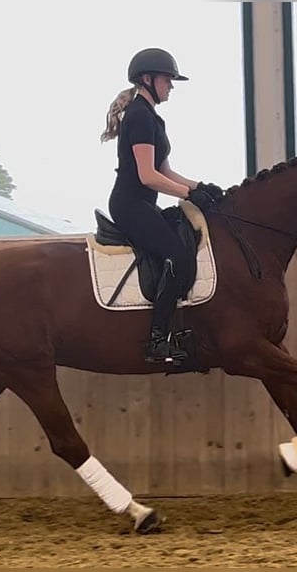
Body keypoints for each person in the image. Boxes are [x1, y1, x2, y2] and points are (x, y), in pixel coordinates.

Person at [100, 47, 224, 365]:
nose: (171, 86)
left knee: (184, 243)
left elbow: (165, 172)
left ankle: (175, 330)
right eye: (168, 80)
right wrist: (186, 194)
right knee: (177, 256)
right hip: (130, 205)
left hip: (144, 203)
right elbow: (147, 175)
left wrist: (200, 187)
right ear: (148, 79)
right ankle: (157, 339)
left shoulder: (153, 118)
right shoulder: (139, 116)